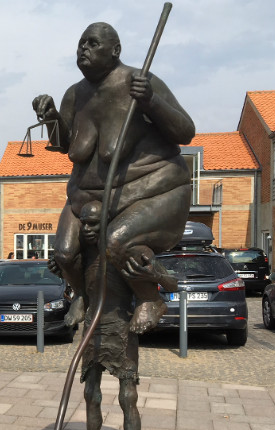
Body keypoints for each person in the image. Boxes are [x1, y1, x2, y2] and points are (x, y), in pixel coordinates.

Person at [33, 21, 194, 336]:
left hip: (150, 191)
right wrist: (51, 117)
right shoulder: (74, 95)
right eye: (81, 43)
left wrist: (151, 101)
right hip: (85, 197)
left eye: (92, 43)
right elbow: (65, 144)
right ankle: (78, 292)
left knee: (115, 241)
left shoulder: (139, 82)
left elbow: (185, 131)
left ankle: (152, 298)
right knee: (64, 254)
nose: (84, 49)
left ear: (115, 50)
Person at [57, 201, 176, 430]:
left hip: (122, 327)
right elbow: (80, 285)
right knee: (90, 395)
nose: (87, 229)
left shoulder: (125, 250)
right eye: (84, 223)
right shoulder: (84, 255)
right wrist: (61, 269)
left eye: (94, 224)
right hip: (93, 329)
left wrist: (157, 272)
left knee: (127, 399)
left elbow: (170, 282)